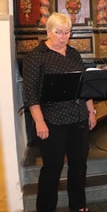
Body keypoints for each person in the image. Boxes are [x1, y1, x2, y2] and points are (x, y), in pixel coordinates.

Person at [22, 12, 97, 212]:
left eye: (67, 32)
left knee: (79, 167)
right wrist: (39, 121)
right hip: (52, 120)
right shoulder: (35, 57)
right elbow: (30, 94)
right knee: (52, 169)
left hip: (79, 116)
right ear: (48, 32)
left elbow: (85, 85)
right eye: (59, 32)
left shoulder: (73, 54)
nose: (64, 37)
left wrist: (91, 112)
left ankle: (78, 206)